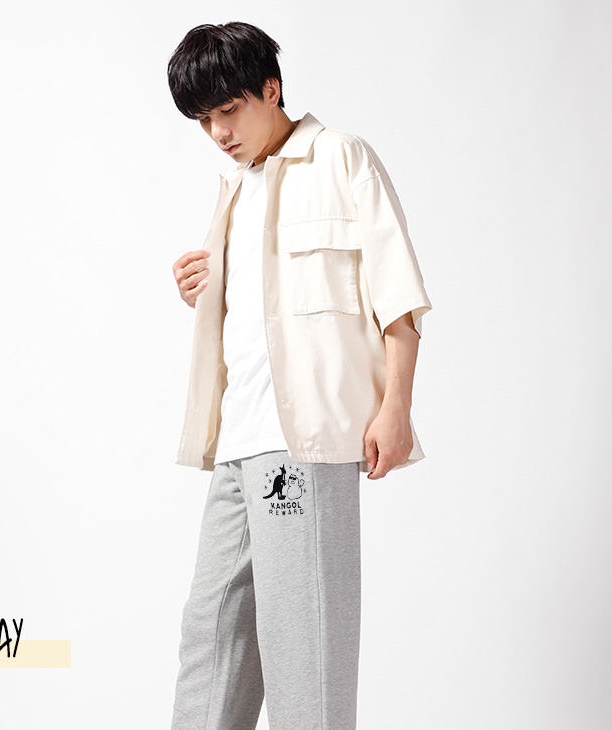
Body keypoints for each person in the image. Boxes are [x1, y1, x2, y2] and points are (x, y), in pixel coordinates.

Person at [166, 21, 432, 730]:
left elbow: (398, 297)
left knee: (304, 649)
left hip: (303, 442)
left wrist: (395, 408)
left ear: (271, 89)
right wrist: (201, 290)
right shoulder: (234, 189)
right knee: (210, 637)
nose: (218, 133)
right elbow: (261, 309)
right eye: (204, 120)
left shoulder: (340, 157)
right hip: (237, 441)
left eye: (228, 111)